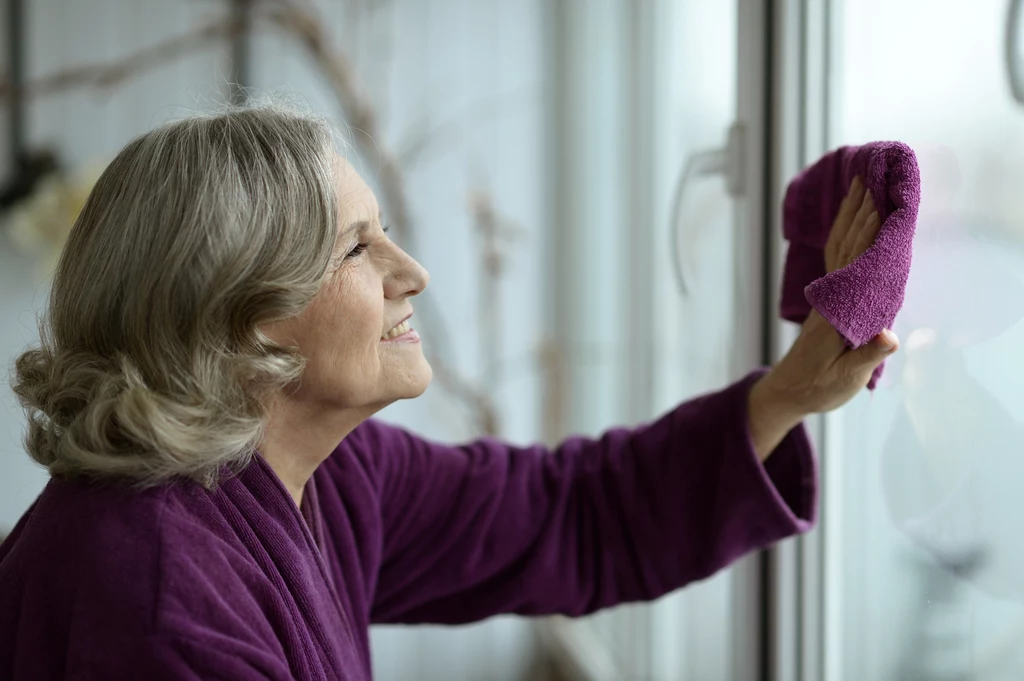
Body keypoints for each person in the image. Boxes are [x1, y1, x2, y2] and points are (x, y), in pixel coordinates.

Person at [0, 106, 894, 681]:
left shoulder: (319, 473)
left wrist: (784, 394)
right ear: (240, 318)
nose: (413, 273)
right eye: (358, 248)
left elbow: (570, 514)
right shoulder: (153, 605)